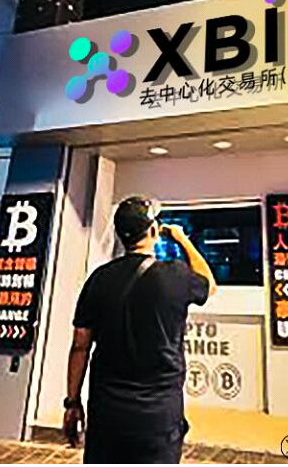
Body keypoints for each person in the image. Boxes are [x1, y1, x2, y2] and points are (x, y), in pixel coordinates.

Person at [62, 196, 217, 464]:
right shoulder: (175, 275)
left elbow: (80, 346)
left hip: (107, 413)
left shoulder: (99, 279)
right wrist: (181, 239)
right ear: (154, 230)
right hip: (157, 417)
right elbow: (209, 284)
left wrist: (72, 402)